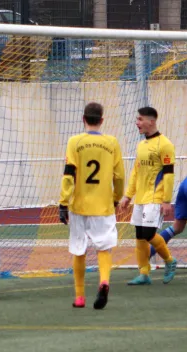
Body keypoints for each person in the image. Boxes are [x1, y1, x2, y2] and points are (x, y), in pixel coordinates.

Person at [59, 102, 125, 309]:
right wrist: (116, 197)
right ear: (102, 120)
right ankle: (104, 281)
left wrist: (63, 202)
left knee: (79, 250)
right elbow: (120, 175)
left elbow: (69, 174)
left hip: (80, 205)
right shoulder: (112, 142)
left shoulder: (75, 141)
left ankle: (79, 297)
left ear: (83, 118)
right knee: (104, 248)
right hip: (103, 205)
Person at [118, 106, 178, 285]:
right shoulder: (141, 145)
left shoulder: (165, 144)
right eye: (137, 119)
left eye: (140, 119)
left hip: (155, 198)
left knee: (148, 234)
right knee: (139, 235)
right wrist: (128, 196)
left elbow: (168, 174)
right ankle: (144, 273)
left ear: (151, 121)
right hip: (141, 199)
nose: (137, 123)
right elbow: (136, 173)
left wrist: (166, 200)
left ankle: (169, 260)